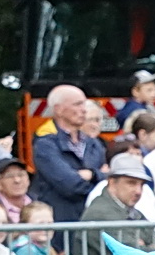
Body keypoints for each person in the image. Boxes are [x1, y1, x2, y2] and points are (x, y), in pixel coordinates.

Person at [31, 86, 106, 224]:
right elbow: (70, 186)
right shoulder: (45, 145)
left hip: (91, 222)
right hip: (62, 223)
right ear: (58, 109)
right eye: (77, 104)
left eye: (83, 104)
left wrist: (92, 174)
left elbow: (109, 180)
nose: (84, 109)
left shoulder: (94, 144)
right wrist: (99, 182)